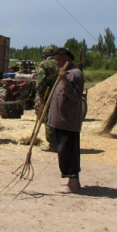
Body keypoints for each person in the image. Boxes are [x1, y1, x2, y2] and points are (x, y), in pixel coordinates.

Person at [46, 48, 84, 194]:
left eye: (59, 59)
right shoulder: (64, 73)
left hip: (68, 121)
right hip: (60, 120)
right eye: (55, 59)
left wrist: (63, 79)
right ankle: (74, 181)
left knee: (66, 151)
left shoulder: (75, 74)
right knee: (67, 150)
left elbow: (75, 96)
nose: (56, 62)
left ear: (69, 59)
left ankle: (72, 184)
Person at [35, 48, 59, 152]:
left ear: (44, 56)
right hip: (62, 95)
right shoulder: (62, 63)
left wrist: (40, 95)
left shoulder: (44, 64)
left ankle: (53, 145)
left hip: (49, 95)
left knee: (49, 118)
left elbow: (40, 82)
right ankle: (61, 142)